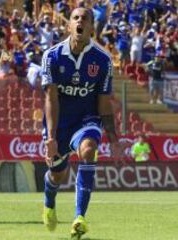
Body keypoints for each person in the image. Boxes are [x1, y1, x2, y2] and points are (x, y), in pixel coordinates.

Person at [41, 8, 123, 239]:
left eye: (84, 19)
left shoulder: (103, 60)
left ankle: (79, 218)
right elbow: (51, 98)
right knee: (58, 175)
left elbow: (104, 103)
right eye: (75, 18)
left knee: (88, 150)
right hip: (59, 123)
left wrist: (114, 139)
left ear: (92, 28)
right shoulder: (52, 56)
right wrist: (51, 138)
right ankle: (49, 202)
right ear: (69, 25)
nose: (79, 21)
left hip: (86, 120)